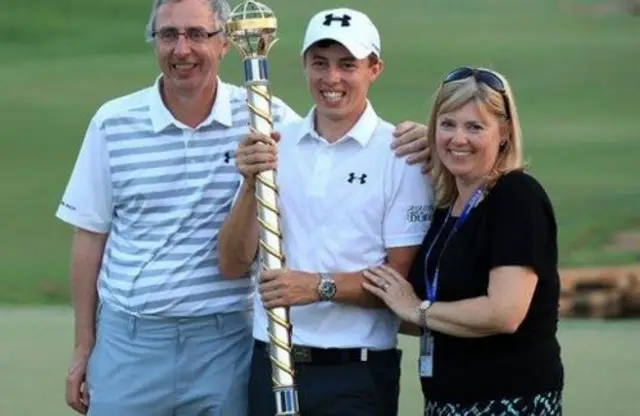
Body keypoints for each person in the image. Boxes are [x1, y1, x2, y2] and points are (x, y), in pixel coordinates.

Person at [55, 0, 431, 415]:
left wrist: (430, 140)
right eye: (168, 35)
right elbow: (91, 237)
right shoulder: (114, 123)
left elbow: (339, 136)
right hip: (134, 340)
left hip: (228, 343)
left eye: (197, 34)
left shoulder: (266, 118)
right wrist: (82, 346)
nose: (182, 49)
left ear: (225, 45)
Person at [217, 7, 435, 416]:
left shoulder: (400, 155)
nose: (331, 79)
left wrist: (318, 286)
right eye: (320, 63)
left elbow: (398, 280)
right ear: (303, 65)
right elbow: (231, 263)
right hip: (272, 363)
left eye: (346, 65)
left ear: (375, 68)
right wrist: (250, 185)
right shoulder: (275, 145)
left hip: (356, 374)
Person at [363, 67, 565, 415]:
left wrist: (416, 309)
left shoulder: (517, 197)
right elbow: (430, 307)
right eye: (448, 124)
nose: (459, 138)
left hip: (509, 401)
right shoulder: (445, 206)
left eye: (475, 127)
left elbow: (504, 312)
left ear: (504, 132)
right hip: (447, 401)